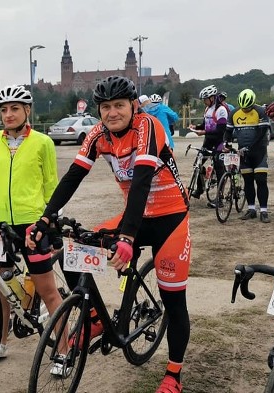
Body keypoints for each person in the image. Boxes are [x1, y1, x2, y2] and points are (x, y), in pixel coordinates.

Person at [36, 76, 191, 392]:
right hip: (133, 216)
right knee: (72, 252)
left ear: (133, 106)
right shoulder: (97, 135)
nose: (112, 113)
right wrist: (45, 218)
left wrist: (127, 238)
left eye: (119, 105)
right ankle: (94, 316)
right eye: (105, 107)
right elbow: (73, 177)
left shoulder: (148, 127)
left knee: (173, 300)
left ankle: (174, 374)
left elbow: (142, 181)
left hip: (169, 218)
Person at [0, 85, 63, 362]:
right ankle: (0, 344)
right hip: (0, 225)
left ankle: (63, 352)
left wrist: (53, 223)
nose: (8, 114)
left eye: (14, 108)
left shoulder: (42, 142)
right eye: (4, 109)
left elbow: (51, 186)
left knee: (48, 291)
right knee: (0, 289)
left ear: (27, 110)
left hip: (33, 225)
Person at [226, 89, 272, 222]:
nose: (245, 110)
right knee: (248, 181)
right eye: (243, 108)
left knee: (261, 179)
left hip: (259, 151)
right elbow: (228, 131)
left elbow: (262, 132)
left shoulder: (260, 112)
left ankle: (264, 211)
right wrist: (226, 142)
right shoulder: (234, 113)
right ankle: (251, 209)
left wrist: (251, 147)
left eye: (248, 108)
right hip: (243, 153)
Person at [191, 85, 229, 207]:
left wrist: (204, 132)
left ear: (212, 98)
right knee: (198, 164)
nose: (204, 101)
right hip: (208, 141)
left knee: (219, 168)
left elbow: (220, 130)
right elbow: (205, 124)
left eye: (205, 99)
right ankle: (200, 188)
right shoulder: (208, 108)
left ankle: (220, 199)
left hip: (218, 142)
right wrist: (196, 127)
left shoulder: (221, 110)